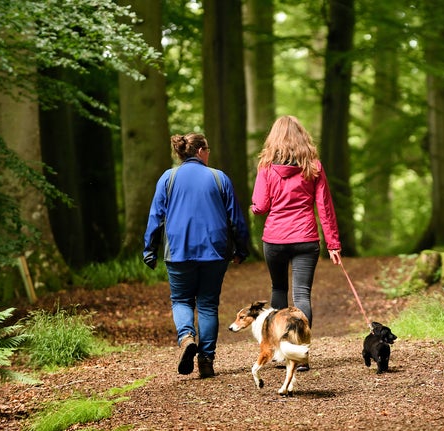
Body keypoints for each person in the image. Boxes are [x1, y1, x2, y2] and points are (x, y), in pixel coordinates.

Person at [143, 133, 249, 379]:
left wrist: (150, 249)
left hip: (178, 251)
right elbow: (235, 218)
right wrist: (241, 249)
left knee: (181, 300)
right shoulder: (218, 177)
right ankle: (206, 360)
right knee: (208, 304)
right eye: (208, 149)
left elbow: (155, 216)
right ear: (201, 151)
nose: (209, 153)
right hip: (214, 252)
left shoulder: (167, 178)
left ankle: (187, 338)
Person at [251, 115, 342, 372]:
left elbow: (261, 207)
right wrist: (333, 243)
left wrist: (254, 207)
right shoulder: (313, 166)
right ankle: (301, 354)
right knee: (302, 294)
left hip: (275, 239)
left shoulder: (266, 167)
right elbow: (324, 207)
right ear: (303, 138)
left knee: (278, 289)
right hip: (306, 238)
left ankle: (281, 352)